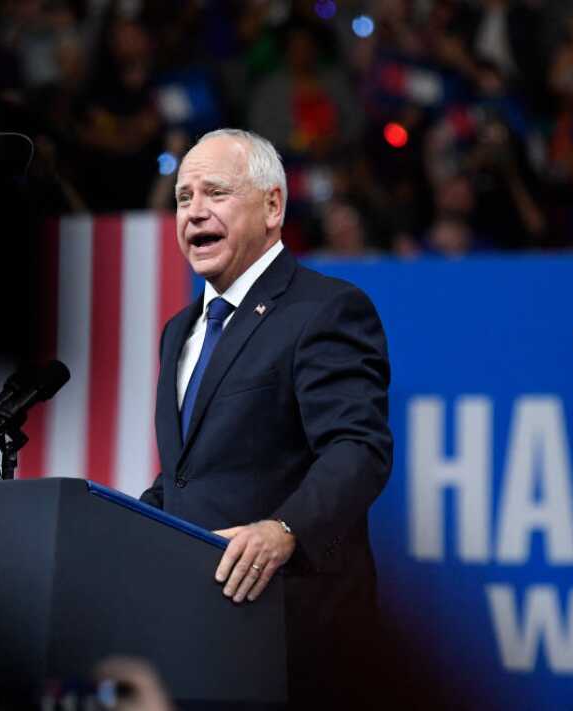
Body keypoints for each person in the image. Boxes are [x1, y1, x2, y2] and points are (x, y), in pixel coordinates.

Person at [139, 128, 393, 708]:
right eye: (183, 198)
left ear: (272, 205)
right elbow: (187, 477)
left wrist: (283, 531)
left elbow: (358, 448)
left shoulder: (325, 309)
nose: (194, 213)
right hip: (199, 635)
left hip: (295, 635)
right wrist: (121, 526)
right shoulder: (179, 332)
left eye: (216, 193)